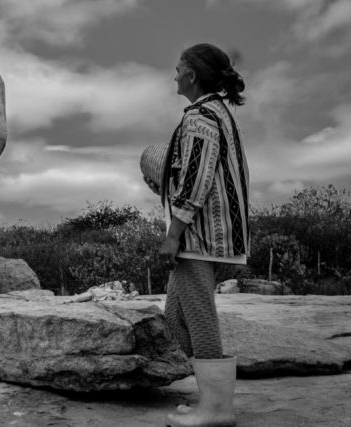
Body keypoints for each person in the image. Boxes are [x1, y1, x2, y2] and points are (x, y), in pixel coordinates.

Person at [144, 43, 250, 427]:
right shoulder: (217, 112)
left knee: (200, 320)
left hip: (200, 236)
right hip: (211, 233)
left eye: (177, 69)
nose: (174, 75)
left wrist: (173, 234)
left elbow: (197, 180)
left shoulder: (200, 116)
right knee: (176, 321)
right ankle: (210, 398)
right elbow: (199, 171)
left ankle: (217, 411)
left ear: (191, 75)